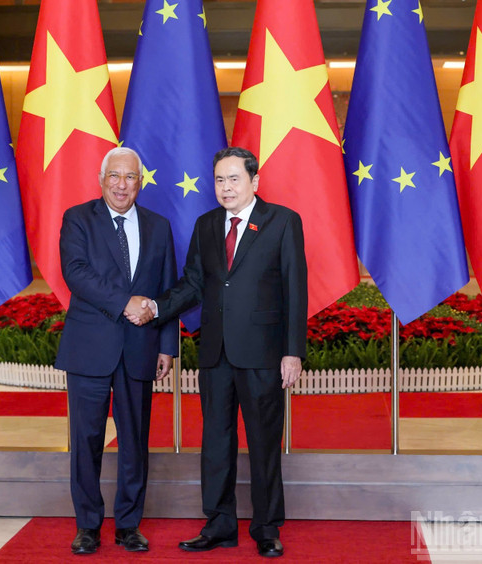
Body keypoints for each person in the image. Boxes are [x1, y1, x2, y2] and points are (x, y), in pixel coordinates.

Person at [133, 146, 307, 558]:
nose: (225, 187)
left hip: (263, 352)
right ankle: (219, 523)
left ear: (254, 182)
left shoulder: (282, 222)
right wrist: (157, 307)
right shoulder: (207, 224)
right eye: (219, 180)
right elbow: (194, 283)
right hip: (214, 353)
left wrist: (292, 351)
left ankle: (266, 527)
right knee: (215, 441)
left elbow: (295, 289)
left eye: (233, 179)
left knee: (264, 441)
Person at [55, 146, 178, 555]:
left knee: (135, 442)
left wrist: (167, 346)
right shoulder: (78, 219)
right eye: (115, 176)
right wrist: (124, 303)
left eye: (130, 177)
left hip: (140, 350)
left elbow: (167, 290)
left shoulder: (159, 226)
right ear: (101, 179)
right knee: (86, 441)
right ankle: (87, 526)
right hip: (90, 349)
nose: (122, 184)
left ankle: (128, 524)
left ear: (139, 182)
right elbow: (76, 273)